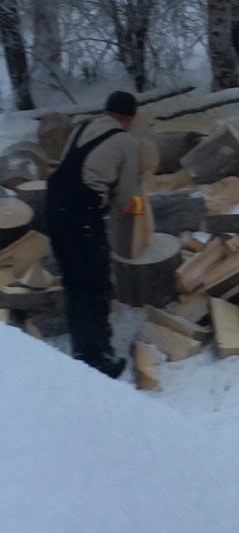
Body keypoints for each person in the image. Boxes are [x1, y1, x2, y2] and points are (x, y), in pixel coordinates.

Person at [46, 91, 146, 379]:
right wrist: (139, 206)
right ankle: (95, 358)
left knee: (73, 281)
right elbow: (124, 198)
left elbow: (69, 167)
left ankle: (80, 346)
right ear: (129, 118)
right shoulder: (125, 141)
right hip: (82, 213)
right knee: (94, 283)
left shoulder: (81, 127)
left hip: (53, 207)